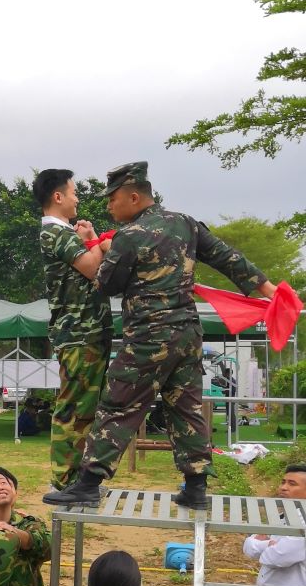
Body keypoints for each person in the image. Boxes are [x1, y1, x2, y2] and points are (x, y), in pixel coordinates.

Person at [45, 162, 275, 510]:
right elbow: (228, 258)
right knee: (186, 407)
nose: (109, 206)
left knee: (119, 404)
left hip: (148, 337)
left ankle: (88, 484)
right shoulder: (186, 223)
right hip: (188, 335)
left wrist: (95, 244)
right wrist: (271, 291)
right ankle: (196, 487)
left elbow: (106, 284)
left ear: (134, 197)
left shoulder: (129, 236)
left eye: (112, 199)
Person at [34, 169, 114, 491]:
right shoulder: (56, 232)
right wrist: (103, 244)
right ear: (58, 196)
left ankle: (79, 479)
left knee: (86, 409)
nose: (77, 198)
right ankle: (64, 480)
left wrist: (90, 239)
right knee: (74, 409)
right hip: (79, 334)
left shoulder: (65, 234)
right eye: (74, 192)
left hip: (88, 333)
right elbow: (92, 268)